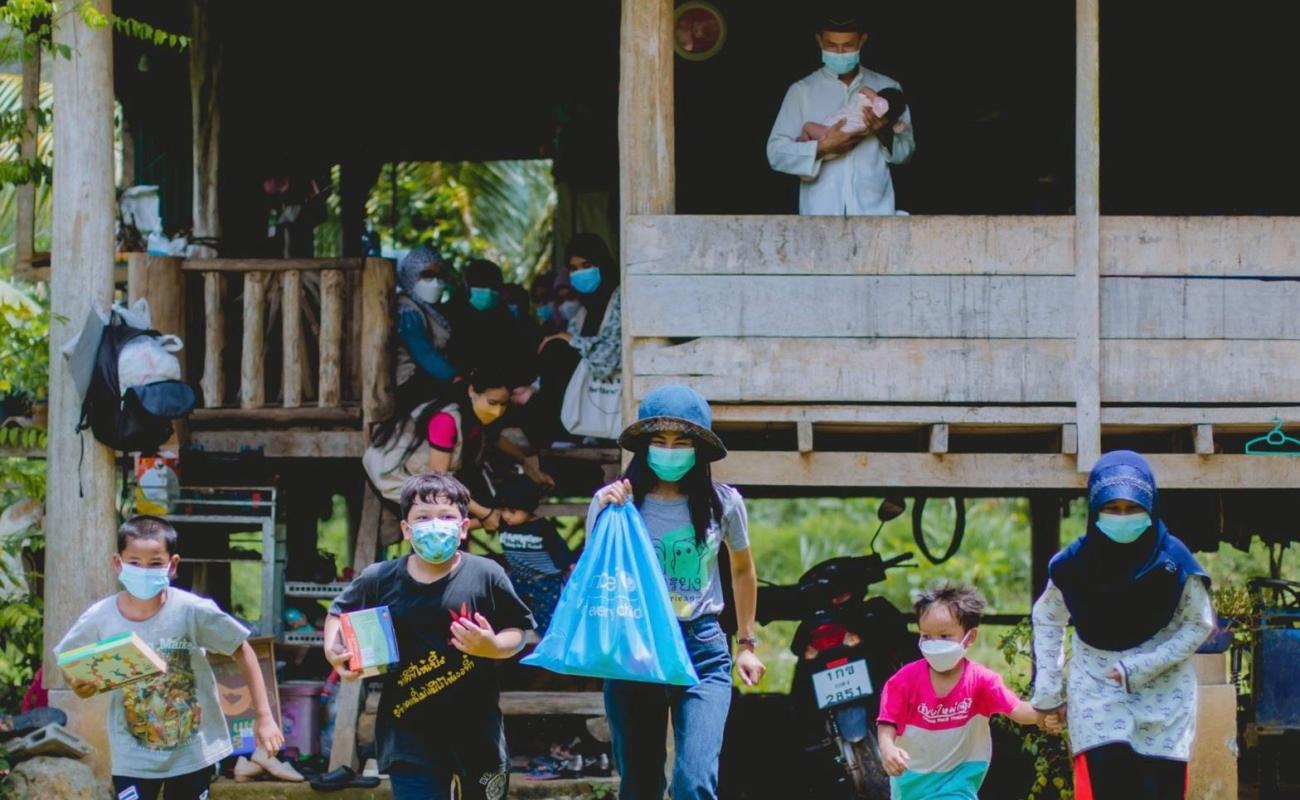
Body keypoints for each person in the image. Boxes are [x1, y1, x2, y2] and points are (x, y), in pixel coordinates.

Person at [594, 384, 765, 800]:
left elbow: (742, 569)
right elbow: (597, 576)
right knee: (640, 784)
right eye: (659, 441)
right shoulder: (614, 502)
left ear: (699, 449)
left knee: (695, 782)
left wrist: (746, 643)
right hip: (635, 651)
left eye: (682, 441)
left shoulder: (724, 502)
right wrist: (607, 512)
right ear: (643, 447)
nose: (670, 450)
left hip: (702, 649)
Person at [324, 474, 536, 800]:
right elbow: (339, 612)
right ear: (407, 529)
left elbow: (519, 631)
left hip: (478, 732)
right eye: (423, 517)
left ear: (464, 527)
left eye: (446, 516)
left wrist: (492, 646)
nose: (435, 525)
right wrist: (333, 650)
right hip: (408, 734)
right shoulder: (379, 578)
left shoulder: (486, 574)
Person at [55, 516, 285, 800]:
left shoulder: (192, 610)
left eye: (155, 563)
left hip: (192, 753)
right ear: (118, 563)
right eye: (134, 562)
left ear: (172, 565)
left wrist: (264, 717)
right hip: (132, 757)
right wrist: (78, 681)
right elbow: (70, 663)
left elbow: (242, 648)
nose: (144, 570)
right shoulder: (100, 617)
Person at [1031, 450, 1214, 800]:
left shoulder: (1174, 563)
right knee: (1105, 786)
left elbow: (1198, 624)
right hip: (1097, 687)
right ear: (1094, 510)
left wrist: (1142, 666)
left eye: (1133, 509)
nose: (1123, 517)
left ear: (1152, 508)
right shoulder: (1071, 566)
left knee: (1159, 789)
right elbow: (1048, 617)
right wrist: (1048, 694)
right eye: (1112, 509)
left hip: (1165, 693)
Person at [876, 584, 1045, 799]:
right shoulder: (902, 681)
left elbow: (1018, 710)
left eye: (945, 636)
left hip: (957, 785)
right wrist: (888, 749)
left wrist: (1046, 713)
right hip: (910, 784)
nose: (933, 644)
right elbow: (887, 722)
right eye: (926, 636)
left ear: (970, 636)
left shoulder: (982, 681)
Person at [767, 7, 916, 215]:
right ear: (819, 41)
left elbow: (906, 154)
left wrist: (884, 133)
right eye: (831, 45)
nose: (839, 52)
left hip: (874, 212)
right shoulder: (801, 91)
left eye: (847, 46)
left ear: (862, 41)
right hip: (819, 213)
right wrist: (821, 147)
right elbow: (775, 153)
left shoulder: (888, 89)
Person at [531, 233, 623, 444]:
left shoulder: (619, 298)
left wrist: (568, 339)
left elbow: (610, 356)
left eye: (587, 265)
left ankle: (567, 435)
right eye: (573, 268)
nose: (580, 273)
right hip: (588, 388)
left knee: (558, 347)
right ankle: (561, 434)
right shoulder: (583, 310)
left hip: (612, 386)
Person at [495, 475, 576, 634]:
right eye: (503, 510)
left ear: (528, 507)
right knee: (511, 616)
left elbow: (563, 556)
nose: (506, 516)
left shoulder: (542, 528)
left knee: (548, 622)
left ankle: (548, 652)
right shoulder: (503, 525)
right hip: (518, 580)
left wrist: (572, 576)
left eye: (512, 511)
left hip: (545, 583)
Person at [449, 259, 539, 390]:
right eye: (480, 285)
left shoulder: (505, 318)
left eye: (493, 287)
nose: (487, 291)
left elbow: (517, 356)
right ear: (467, 285)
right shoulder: (452, 315)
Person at [394, 246, 457, 411]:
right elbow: (424, 354)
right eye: (427, 275)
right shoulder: (406, 311)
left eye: (440, 275)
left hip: (428, 378)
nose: (435, 282)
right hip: (410, 383)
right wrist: (457, 378)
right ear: (410, 275)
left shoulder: (431, 309)